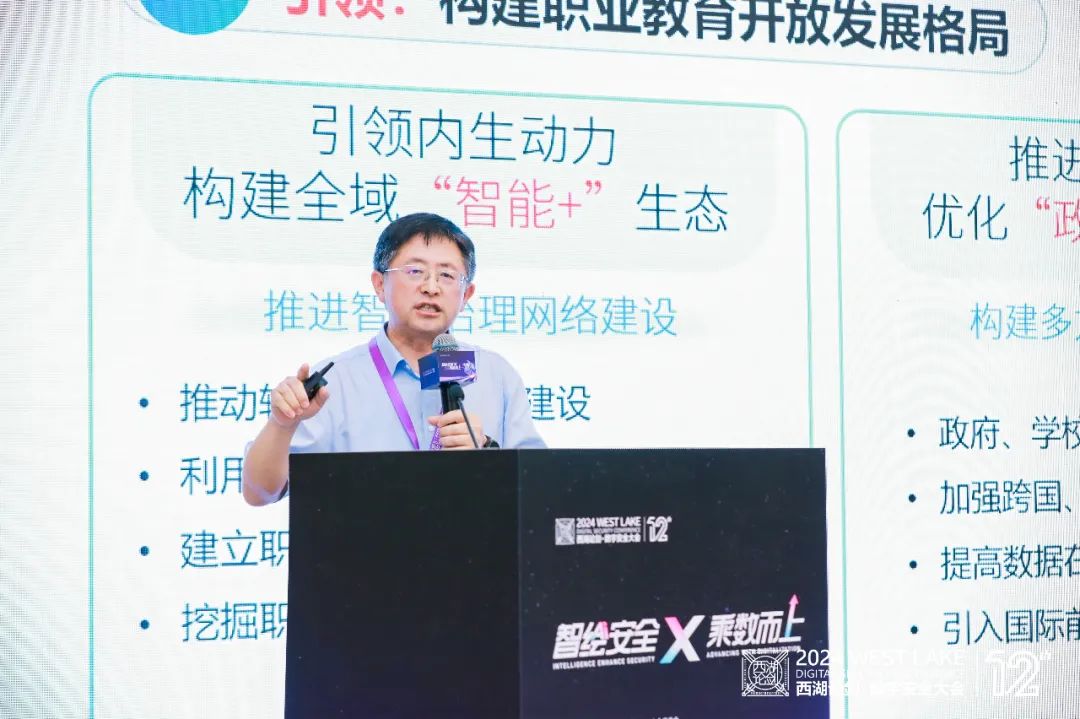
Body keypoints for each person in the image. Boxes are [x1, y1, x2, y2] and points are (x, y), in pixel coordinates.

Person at [242, 212, 545, 506]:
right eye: (415, 271)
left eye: (447, 275)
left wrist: (489, 454)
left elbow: (541, 490)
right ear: (379, 284)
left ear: (466, 294)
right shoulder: (334, 383)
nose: (431, 287)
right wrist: (282, 425)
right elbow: (259, 493)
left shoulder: (497, 376)